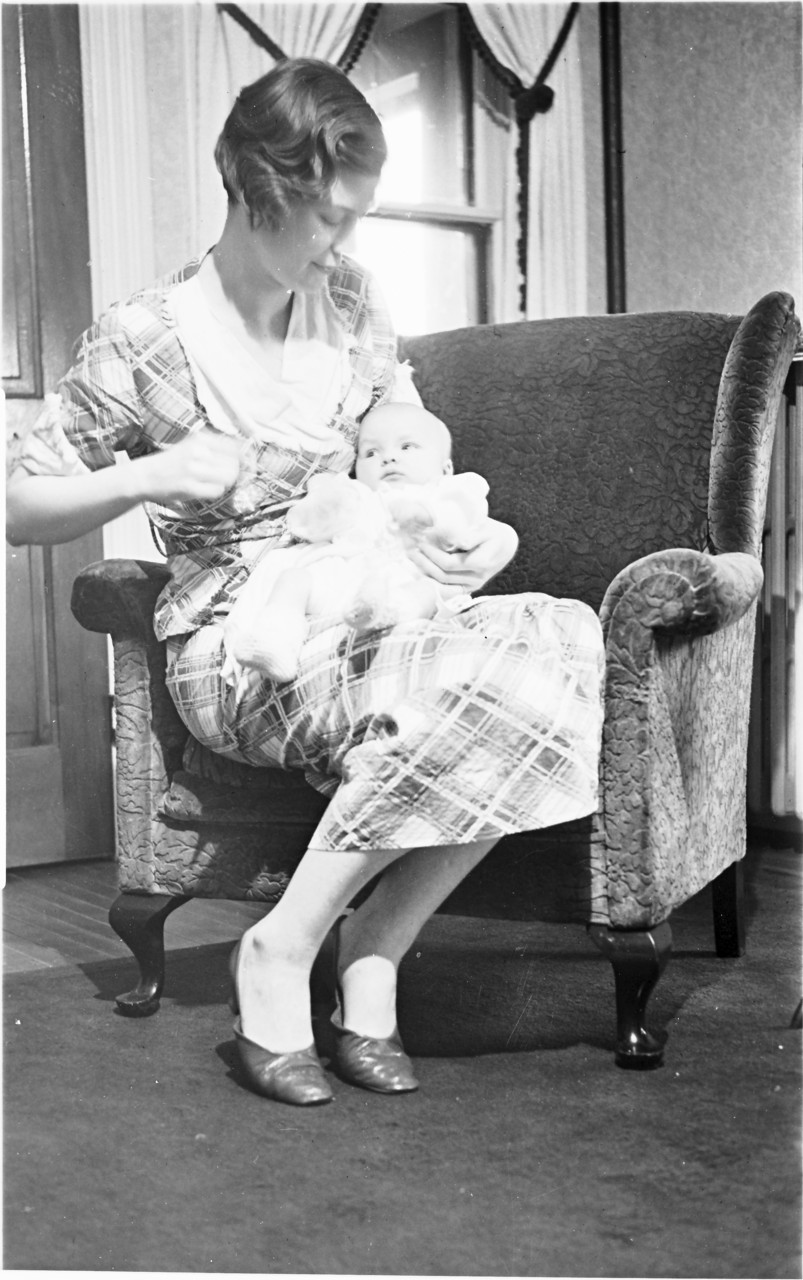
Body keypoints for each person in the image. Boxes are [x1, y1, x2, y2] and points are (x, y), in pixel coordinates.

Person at [6, 58, 605, 1108]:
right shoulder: (142, 338)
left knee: (560, 639)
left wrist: (427, 502)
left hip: (374, 596)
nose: (342, 244)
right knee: (454, 677)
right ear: (257, 190)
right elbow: (20, 504)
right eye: (328, 219)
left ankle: (373, 945)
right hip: (243, 639)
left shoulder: (353, 301)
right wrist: (143, 476)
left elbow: (399, 431)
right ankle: (280, 953)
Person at [220, 400, 515, 685]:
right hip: (344, 584)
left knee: (430, 591)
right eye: (371, 452)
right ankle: (276, 641)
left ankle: (393, 613)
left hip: (411, 582)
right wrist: (323, 505)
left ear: (446, 468)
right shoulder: (356, 494)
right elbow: (310, 526)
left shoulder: (450, 491)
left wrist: (428, 515)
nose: (388, 458)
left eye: (407, 446)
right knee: (293, 578)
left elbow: (463, 526)